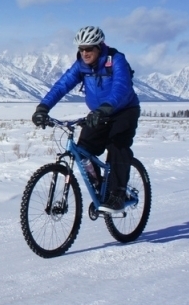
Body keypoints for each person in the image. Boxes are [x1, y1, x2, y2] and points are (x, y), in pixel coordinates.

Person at [31, 25, 140, 213]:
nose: (84, 53)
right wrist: (43, 107)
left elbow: (121, 87)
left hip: (124, 110)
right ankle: (100, 187)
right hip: (99, 113)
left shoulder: (116, 60)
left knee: (117, 145)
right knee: (82, 151)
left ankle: (118, 194)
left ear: (100, 46)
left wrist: (106, 108)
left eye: (89, 48)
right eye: (81, 49)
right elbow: (62, 85)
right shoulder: (81, 66)